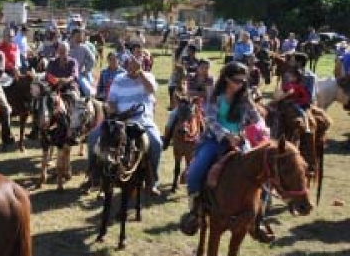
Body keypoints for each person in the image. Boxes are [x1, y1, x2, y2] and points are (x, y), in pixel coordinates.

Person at [180, 61, 261, 235]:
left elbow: (256, 119)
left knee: (260, 172)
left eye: (244, 81)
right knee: (195, 171)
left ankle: (258, 218)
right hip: (214, 140)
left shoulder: (245, 97)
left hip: (239, 141)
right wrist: (227, 135)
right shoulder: (213, 95)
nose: (241, 84)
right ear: (226, 79)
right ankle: (195, 210)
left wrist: (257, 124)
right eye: (237, 80)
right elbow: (210, 119)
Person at [86, 51, 163, 195]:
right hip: (119, 119)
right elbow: (111, 100)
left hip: (142, 120)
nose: (132, 67)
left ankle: (152, 181)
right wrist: (114, 110)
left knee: (157, 143)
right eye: (130, 64)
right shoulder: (118, 79)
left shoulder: (148, 77)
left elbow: (151, 89)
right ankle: (93, 175)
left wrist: (140, 73)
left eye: (135, 65)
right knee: (92, 138)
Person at [278, 68, 312, 133]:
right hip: (292, 100)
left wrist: (281, 97)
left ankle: (307, 127)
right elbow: (284, 90)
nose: (289, 77)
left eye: (291, 76)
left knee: (300, 110)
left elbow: (290, 92)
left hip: (299, 101)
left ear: (295, 78)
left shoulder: (296, 85)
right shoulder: (291, 84)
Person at [69, 29, 96, 97]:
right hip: (66, 74)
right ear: (73, 36)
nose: (81, 37)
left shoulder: (84, 47)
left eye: (82, 35)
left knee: (89, 91)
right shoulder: (67, 46)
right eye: (79, 35)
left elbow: (92, 60)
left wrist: (86, 70)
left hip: (78, 74)